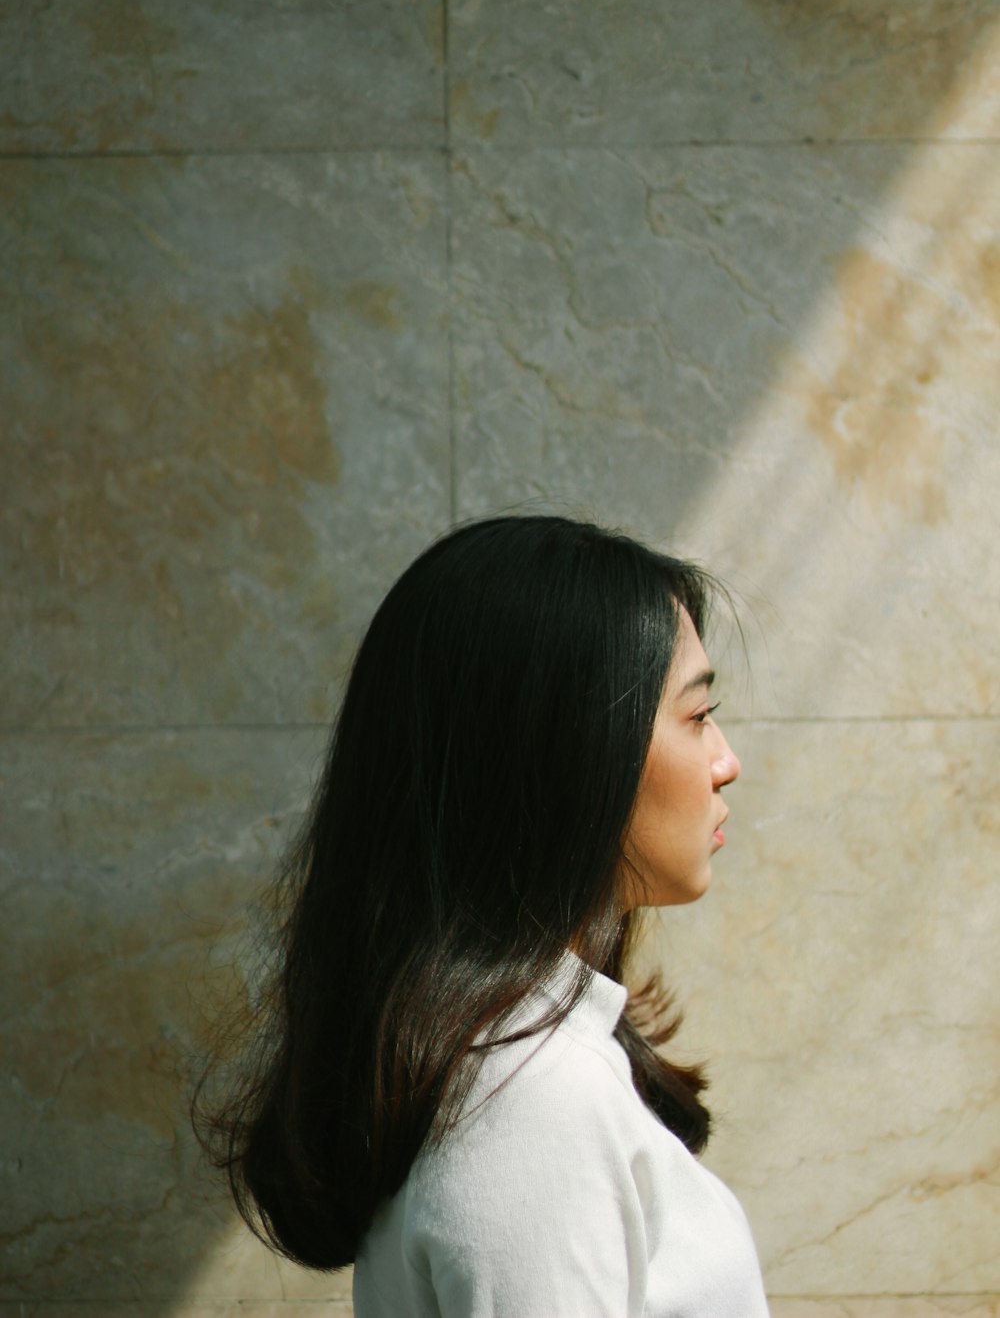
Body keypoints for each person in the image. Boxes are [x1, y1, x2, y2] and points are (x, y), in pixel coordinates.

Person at [197, 515, 770, 1316]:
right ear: (570, 755)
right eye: (697, 715)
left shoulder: (518, 1067)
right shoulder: (533, 1104)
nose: (726, 761)